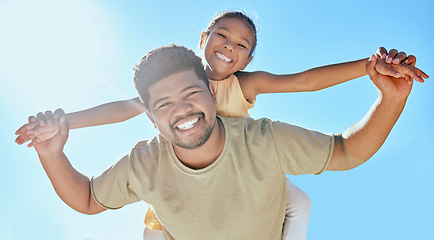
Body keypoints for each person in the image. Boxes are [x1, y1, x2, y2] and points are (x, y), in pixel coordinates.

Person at [14, 11, 428, 240]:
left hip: (250, 178)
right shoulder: (153, 141)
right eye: (221, 35)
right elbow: (116, 115)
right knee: (154, 231)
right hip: (184, 200)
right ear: (203, 39)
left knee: (299, 204)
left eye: (242, 44)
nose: (229, 46)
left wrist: (368, 69)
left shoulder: (251, 105)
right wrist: (62, 128)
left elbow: (305, 82)